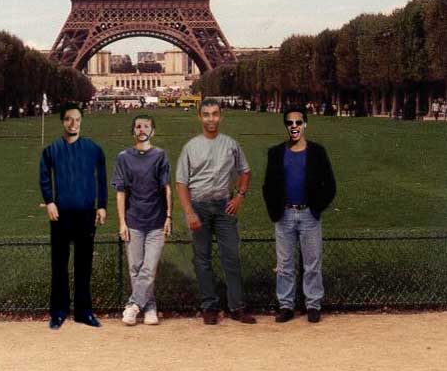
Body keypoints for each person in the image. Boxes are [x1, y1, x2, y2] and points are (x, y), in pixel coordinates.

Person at [176, 98, 256, 325]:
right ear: (200, 117)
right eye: (206, 114)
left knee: (231, 257)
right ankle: (209, 307)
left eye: (214, 114)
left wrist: (240, 195)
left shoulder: (231, 144)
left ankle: (236, 306)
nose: (211, 118)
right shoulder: (191, 147)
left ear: (220, 116)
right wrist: (189, 212)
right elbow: (181, 183)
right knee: (202, 260)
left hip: (224, 206)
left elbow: (246, 171)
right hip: (199, 207)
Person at [262, 105, 336, 324]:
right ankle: (286, 305)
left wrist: (317, 208)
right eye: (289, 122)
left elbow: (330, 184)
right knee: (284, 264)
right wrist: (274, 211)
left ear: (305, 124)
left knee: (312, 263)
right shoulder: (276, 152)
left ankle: (313, 304)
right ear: (285, 125)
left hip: (308, 214)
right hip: (284, 214)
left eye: (298, 122)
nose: (294, 126)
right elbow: (268, 185)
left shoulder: (317, 151)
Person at [39, 102, 107, 329]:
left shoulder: (94, 149)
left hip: (86, 212)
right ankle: (58, 312)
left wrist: (102, 205)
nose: (73, 123)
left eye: (77, 119)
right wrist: (49, 201)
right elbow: (44, 176)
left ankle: (83, 312)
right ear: (62, 121)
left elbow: (102, 177)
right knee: (59, 265)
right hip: (60, 213)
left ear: (81, 121)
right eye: (68, 119)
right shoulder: (51, 150)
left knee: (83, 265)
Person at [111, 114, 172, 326]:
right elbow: (120, 192)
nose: (142, 129)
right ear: (133, 131)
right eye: (138, 126)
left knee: (149, 267)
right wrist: (121, 222)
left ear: (152, 131)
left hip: (156, 220)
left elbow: (167, 188)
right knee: (136, 268)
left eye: (146, 126)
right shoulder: (123, 157)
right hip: (134, 220)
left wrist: (169, 216)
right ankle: (149, 306)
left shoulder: (160, 155)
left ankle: (132, 306)